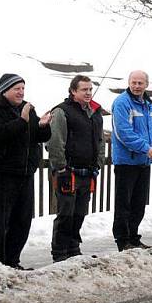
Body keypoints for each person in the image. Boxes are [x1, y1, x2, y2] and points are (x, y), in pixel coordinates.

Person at [0, 74, 52, 269]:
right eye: (16, 89)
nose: (21, 92)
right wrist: (22, 121)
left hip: (25, 173)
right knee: (0, 223)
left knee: (22, 221)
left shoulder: (28, 108)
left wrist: (44, 126)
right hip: (3, 174)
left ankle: (13, 262)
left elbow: (37, 136)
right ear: (4, 90)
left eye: (23, 88)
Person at [46, 75, 105, 262]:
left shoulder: (95, 112)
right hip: (68, 172)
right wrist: (61, 168)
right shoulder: (61, 112)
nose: (88, 93)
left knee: (80, 213)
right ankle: (60, 253)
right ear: (73, 91)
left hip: (88, 172)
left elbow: (100, 140)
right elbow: (55, 141)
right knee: (66, 213)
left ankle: (73, 248)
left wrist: (99, 162)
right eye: (84, 90)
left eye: (90, 89)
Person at [111, 70, 152, 251]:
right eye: (134, 83)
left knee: (138, 204)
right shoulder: (122, 102)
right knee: (124, 205)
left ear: (146, 84)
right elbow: (123, 133)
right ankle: (123, 241)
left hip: (143, 163)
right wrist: (146, 148)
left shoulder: (149, 104)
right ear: (128, 83)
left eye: (140, 83)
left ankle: (134, 238)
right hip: (126, 162)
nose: (137, 86)